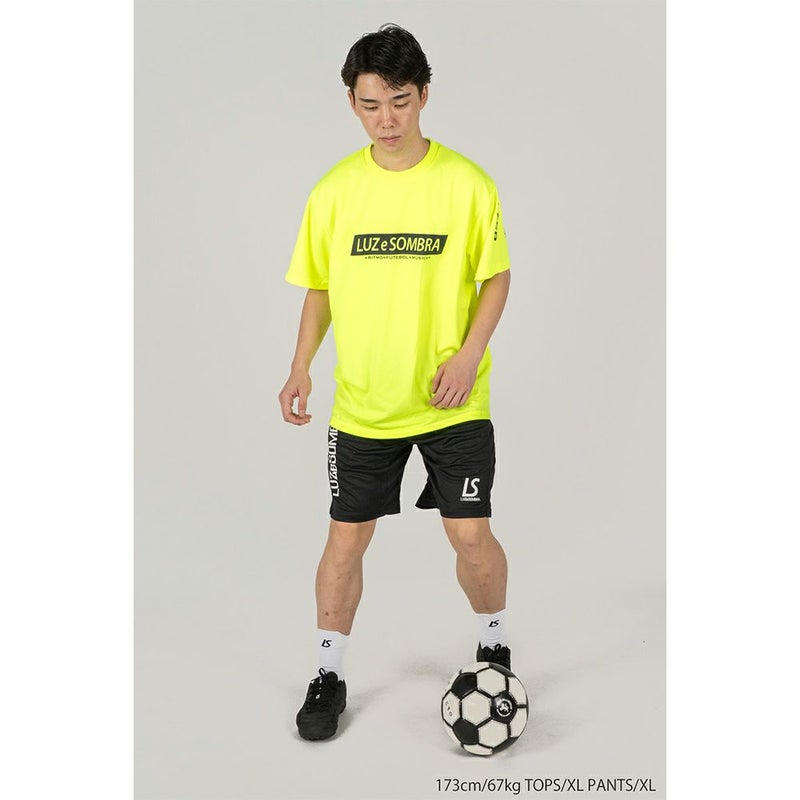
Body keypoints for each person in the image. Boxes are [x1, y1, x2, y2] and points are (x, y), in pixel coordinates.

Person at [278, 23, 512, 742]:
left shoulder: (466, 184)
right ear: (352, 103)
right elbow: (319, 288)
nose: (386, 119)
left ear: (424, 96)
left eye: (400, 102)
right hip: (365, 405)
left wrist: (469, 355)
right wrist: (299, 366)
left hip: (451, 401)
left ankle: (494, 646)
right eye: (371, 104)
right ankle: (328, 673)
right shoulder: (334, 191)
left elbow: (496, 277)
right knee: (345, 542)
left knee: (471, 535)